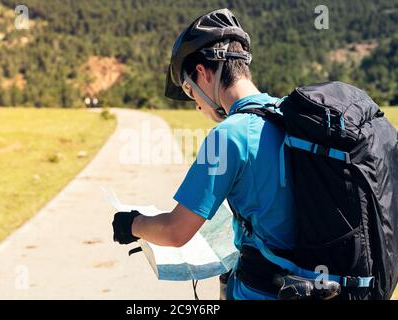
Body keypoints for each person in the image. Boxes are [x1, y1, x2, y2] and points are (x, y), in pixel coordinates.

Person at [112, 8, 296, 300]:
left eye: (188, 89)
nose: (196, 104)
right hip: (318, 285)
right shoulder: (291, 115)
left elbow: (175, 231)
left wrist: (131, 224)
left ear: (203, 72)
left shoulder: (229, 135)